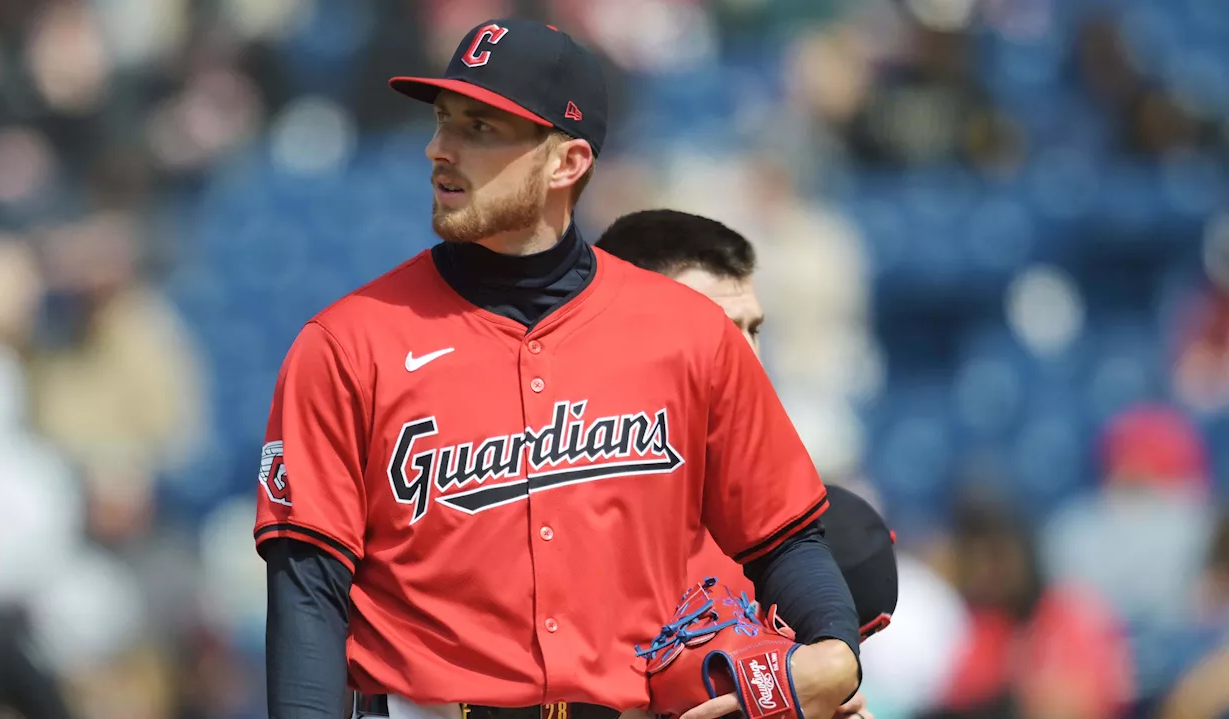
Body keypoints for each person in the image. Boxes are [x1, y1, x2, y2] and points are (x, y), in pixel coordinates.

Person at [255, 18, 862, 719]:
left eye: (480, 129)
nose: (439, 149)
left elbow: (785, 535)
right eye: (444, 121)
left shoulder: (689, 333)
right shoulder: (346, 344)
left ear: (567, 162)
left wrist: (834, 653)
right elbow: (308, 591)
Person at [595, 209, 899, 719]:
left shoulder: (810, 545)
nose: (745, 359)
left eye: (753, 329)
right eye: (714, 331)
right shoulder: (536, 513)